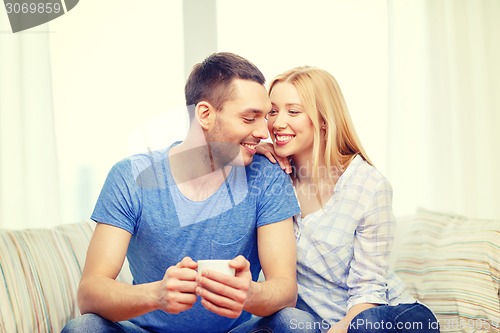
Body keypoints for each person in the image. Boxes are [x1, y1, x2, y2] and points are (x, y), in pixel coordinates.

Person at [62, 52, 318, 333]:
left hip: (236, 331)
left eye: (264, 117)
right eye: (249, 118)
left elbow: (284, 289)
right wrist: (155, 295)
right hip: (146, 330)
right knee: (83, 328)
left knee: (298, 325)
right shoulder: (130, 177)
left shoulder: (266, 176)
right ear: (205, 114)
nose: (263, 132)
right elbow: (90, 292)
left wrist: (251, 294)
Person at [259, 66, 440, 333]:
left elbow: (369, 289)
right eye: (273, 111)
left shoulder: (368, 185)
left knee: (365, 326)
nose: (277, 122)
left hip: (386, 314)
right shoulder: (273, 178)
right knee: (287, 321)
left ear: (323, 119)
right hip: (320, 322)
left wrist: (341, 329)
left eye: (293, 111)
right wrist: (249, 152)